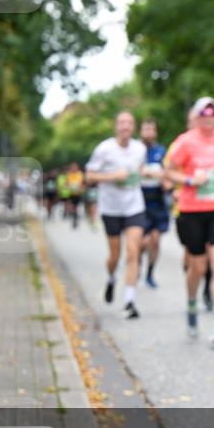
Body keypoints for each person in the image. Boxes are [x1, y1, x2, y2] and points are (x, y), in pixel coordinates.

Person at [164, 97, 214, 344]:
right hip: (192, 210)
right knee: (198, 267)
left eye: (213, 113)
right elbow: (169, 171)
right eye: (203, 113)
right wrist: (189, 181)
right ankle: (192, 302)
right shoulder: (185, 142)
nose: (208, 117)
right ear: (196, 117)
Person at [85, 111, 148, 320]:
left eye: (129, 123)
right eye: (121, 122)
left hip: (134, 206)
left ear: (134, 127)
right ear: (116, 126)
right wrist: (113, 176)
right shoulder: (104, 149)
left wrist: (145, 173)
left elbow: (140, 169)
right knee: (115, 255)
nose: (125, 127)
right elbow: (90, 175)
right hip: (111, 208)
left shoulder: (140, 148)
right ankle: (111, 277)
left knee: (133, 251)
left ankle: (130, 301)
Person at [139, 119, 169, 288]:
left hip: (157, 203)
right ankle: (136, 264)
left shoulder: (161, 152)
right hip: (139, 203)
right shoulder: (135, 151)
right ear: (141, 131)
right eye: (146, 129)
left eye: (152, 129)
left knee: (155, 240)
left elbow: (168, 174)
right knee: (141, 242)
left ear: (155, 132)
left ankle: (150, 272)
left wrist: (162, 179)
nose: (149, 132)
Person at [64, 162, 85, 229]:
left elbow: (83, 183)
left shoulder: (80, 174)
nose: (74, 168)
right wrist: (69, 186)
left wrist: (81, 187)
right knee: (72, 206)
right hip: (71, 194)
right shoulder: (69, 174)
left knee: (76, 206)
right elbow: (66, 183)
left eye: (75, 167)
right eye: (73, 167)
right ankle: (74, 217)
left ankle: (75, 217)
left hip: (78, 193)